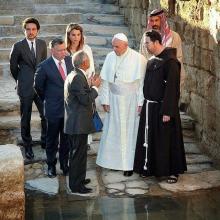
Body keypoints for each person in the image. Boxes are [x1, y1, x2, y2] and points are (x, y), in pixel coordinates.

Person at [133, 30, 187, 183]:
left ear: (156, 42)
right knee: (150, 139)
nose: (146, 46)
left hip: (164, 108)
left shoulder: (170, 62)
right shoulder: (152, 60)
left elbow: (172, 88)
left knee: (167, 140)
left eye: (147, 43)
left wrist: (168, 111)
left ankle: (172, 172)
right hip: (150, 107)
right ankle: (149, 167)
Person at [96, 33, 147, 177]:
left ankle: (129, 165)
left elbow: (142, 83)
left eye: (117, 46)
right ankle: (113, 163)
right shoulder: (110, 57)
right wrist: (105, 100)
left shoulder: (139, 59)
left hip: (131, 101)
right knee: (114, 133)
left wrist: (140, 102)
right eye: (113, 46)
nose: (114, 49)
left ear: (126, 45)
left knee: (130, 134)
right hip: (114, 100)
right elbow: (106, 81)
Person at [34, 38, 74, 178]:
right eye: (60, 50)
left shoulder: (70, 61)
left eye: (64, 49)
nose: (64, 52)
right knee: (51, 140)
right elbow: (38, 87)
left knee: (66, 140)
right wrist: (48, 99)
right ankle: (51, 166)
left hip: (68, 109)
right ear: (52, 51)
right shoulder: (44, 66)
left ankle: (64, 165)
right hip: (52, 109)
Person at [9, 17, 47, 159]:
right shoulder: (18, 46)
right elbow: (13, 67)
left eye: (33, 29)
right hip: (25, 87)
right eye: (28, 29)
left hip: (41, 87)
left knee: (45, 115)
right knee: (26, 118)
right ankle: (28, 146)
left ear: (37, 30)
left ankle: (45, 141)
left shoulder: (43, 44)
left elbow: (44, 64)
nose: (31, 32)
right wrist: (21, 79)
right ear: (24, 30)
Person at [64, 51, 101, 194]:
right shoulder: (78, 77)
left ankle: (79, 179)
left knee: (79, 154)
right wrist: (96, 87)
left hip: (77, 123)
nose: (90, 62)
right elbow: (85, 99)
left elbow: (81, 93)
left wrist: (90, 84)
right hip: (77, 124)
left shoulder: (76, 74)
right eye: (88, 60)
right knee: (77, 155)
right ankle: (76, 185)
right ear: (84, 63)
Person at [65, 23, 95, 147]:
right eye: (73, 35)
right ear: (68, 35)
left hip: (84, 84)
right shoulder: (65, 49)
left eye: (78, 34)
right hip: (70, 86)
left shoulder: (86, 49)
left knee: (84, 113)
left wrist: (89, 81)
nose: (76, 37)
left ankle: (85, 141)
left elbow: (91, 67)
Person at [139, 9, 185, 89]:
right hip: (151, 78)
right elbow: (142, 57)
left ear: (162, 20)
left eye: (156, 20)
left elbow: (178, 58)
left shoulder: (174, 37)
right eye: (152, 21)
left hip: (168, 79)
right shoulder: (145, 37)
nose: (154, 23)